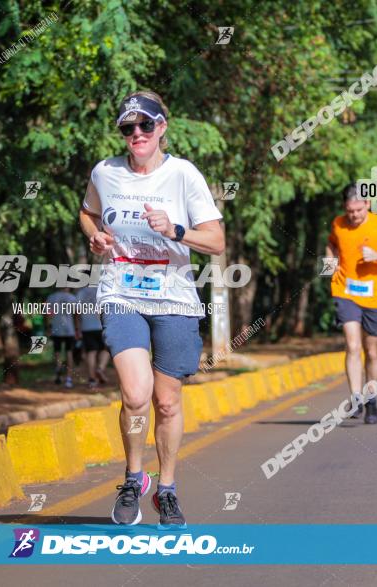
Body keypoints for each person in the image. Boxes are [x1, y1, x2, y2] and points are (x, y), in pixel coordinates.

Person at [78, 90, 225, 529]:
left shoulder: (183, 175)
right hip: (120, 293)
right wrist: (96, 235)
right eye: (128, 127)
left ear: (162, 127)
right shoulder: (105, 172)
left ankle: (167, 488)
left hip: (174, 298)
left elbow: (216, 241)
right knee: (136, 394)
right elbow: (87, 212)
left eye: (145, 125)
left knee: (166, 400)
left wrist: (177, 229)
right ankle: (132, 478)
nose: (136, 134)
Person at [327, 183, 377, 425]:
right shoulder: (338, 223)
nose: (353, 216)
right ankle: (355, 397)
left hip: (375, 296)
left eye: (358, 210)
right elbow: (332, 243)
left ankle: (371, 399)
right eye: (349, 211)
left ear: (368, 204)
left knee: (372, 351)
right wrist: (329, 262)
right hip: (345, 290)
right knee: (352, 345)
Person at [76, 284, 111, 388]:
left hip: (87, 327)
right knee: (107, 349)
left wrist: (78, 329)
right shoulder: (102, 290)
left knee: (91, 353)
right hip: (101, 325)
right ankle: (100, 368)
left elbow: (77, 312)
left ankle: (92, 379)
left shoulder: (81, 293)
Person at [45, 287, 80, 388]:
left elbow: (48, 314)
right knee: (69, 353)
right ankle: (69, 379)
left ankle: (58, 370)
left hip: (56, 329)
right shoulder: (72, 298)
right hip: (69, 330)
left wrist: (49, 327)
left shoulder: (51, 297)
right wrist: (77, 328)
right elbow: (76, 314)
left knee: (57, 352)